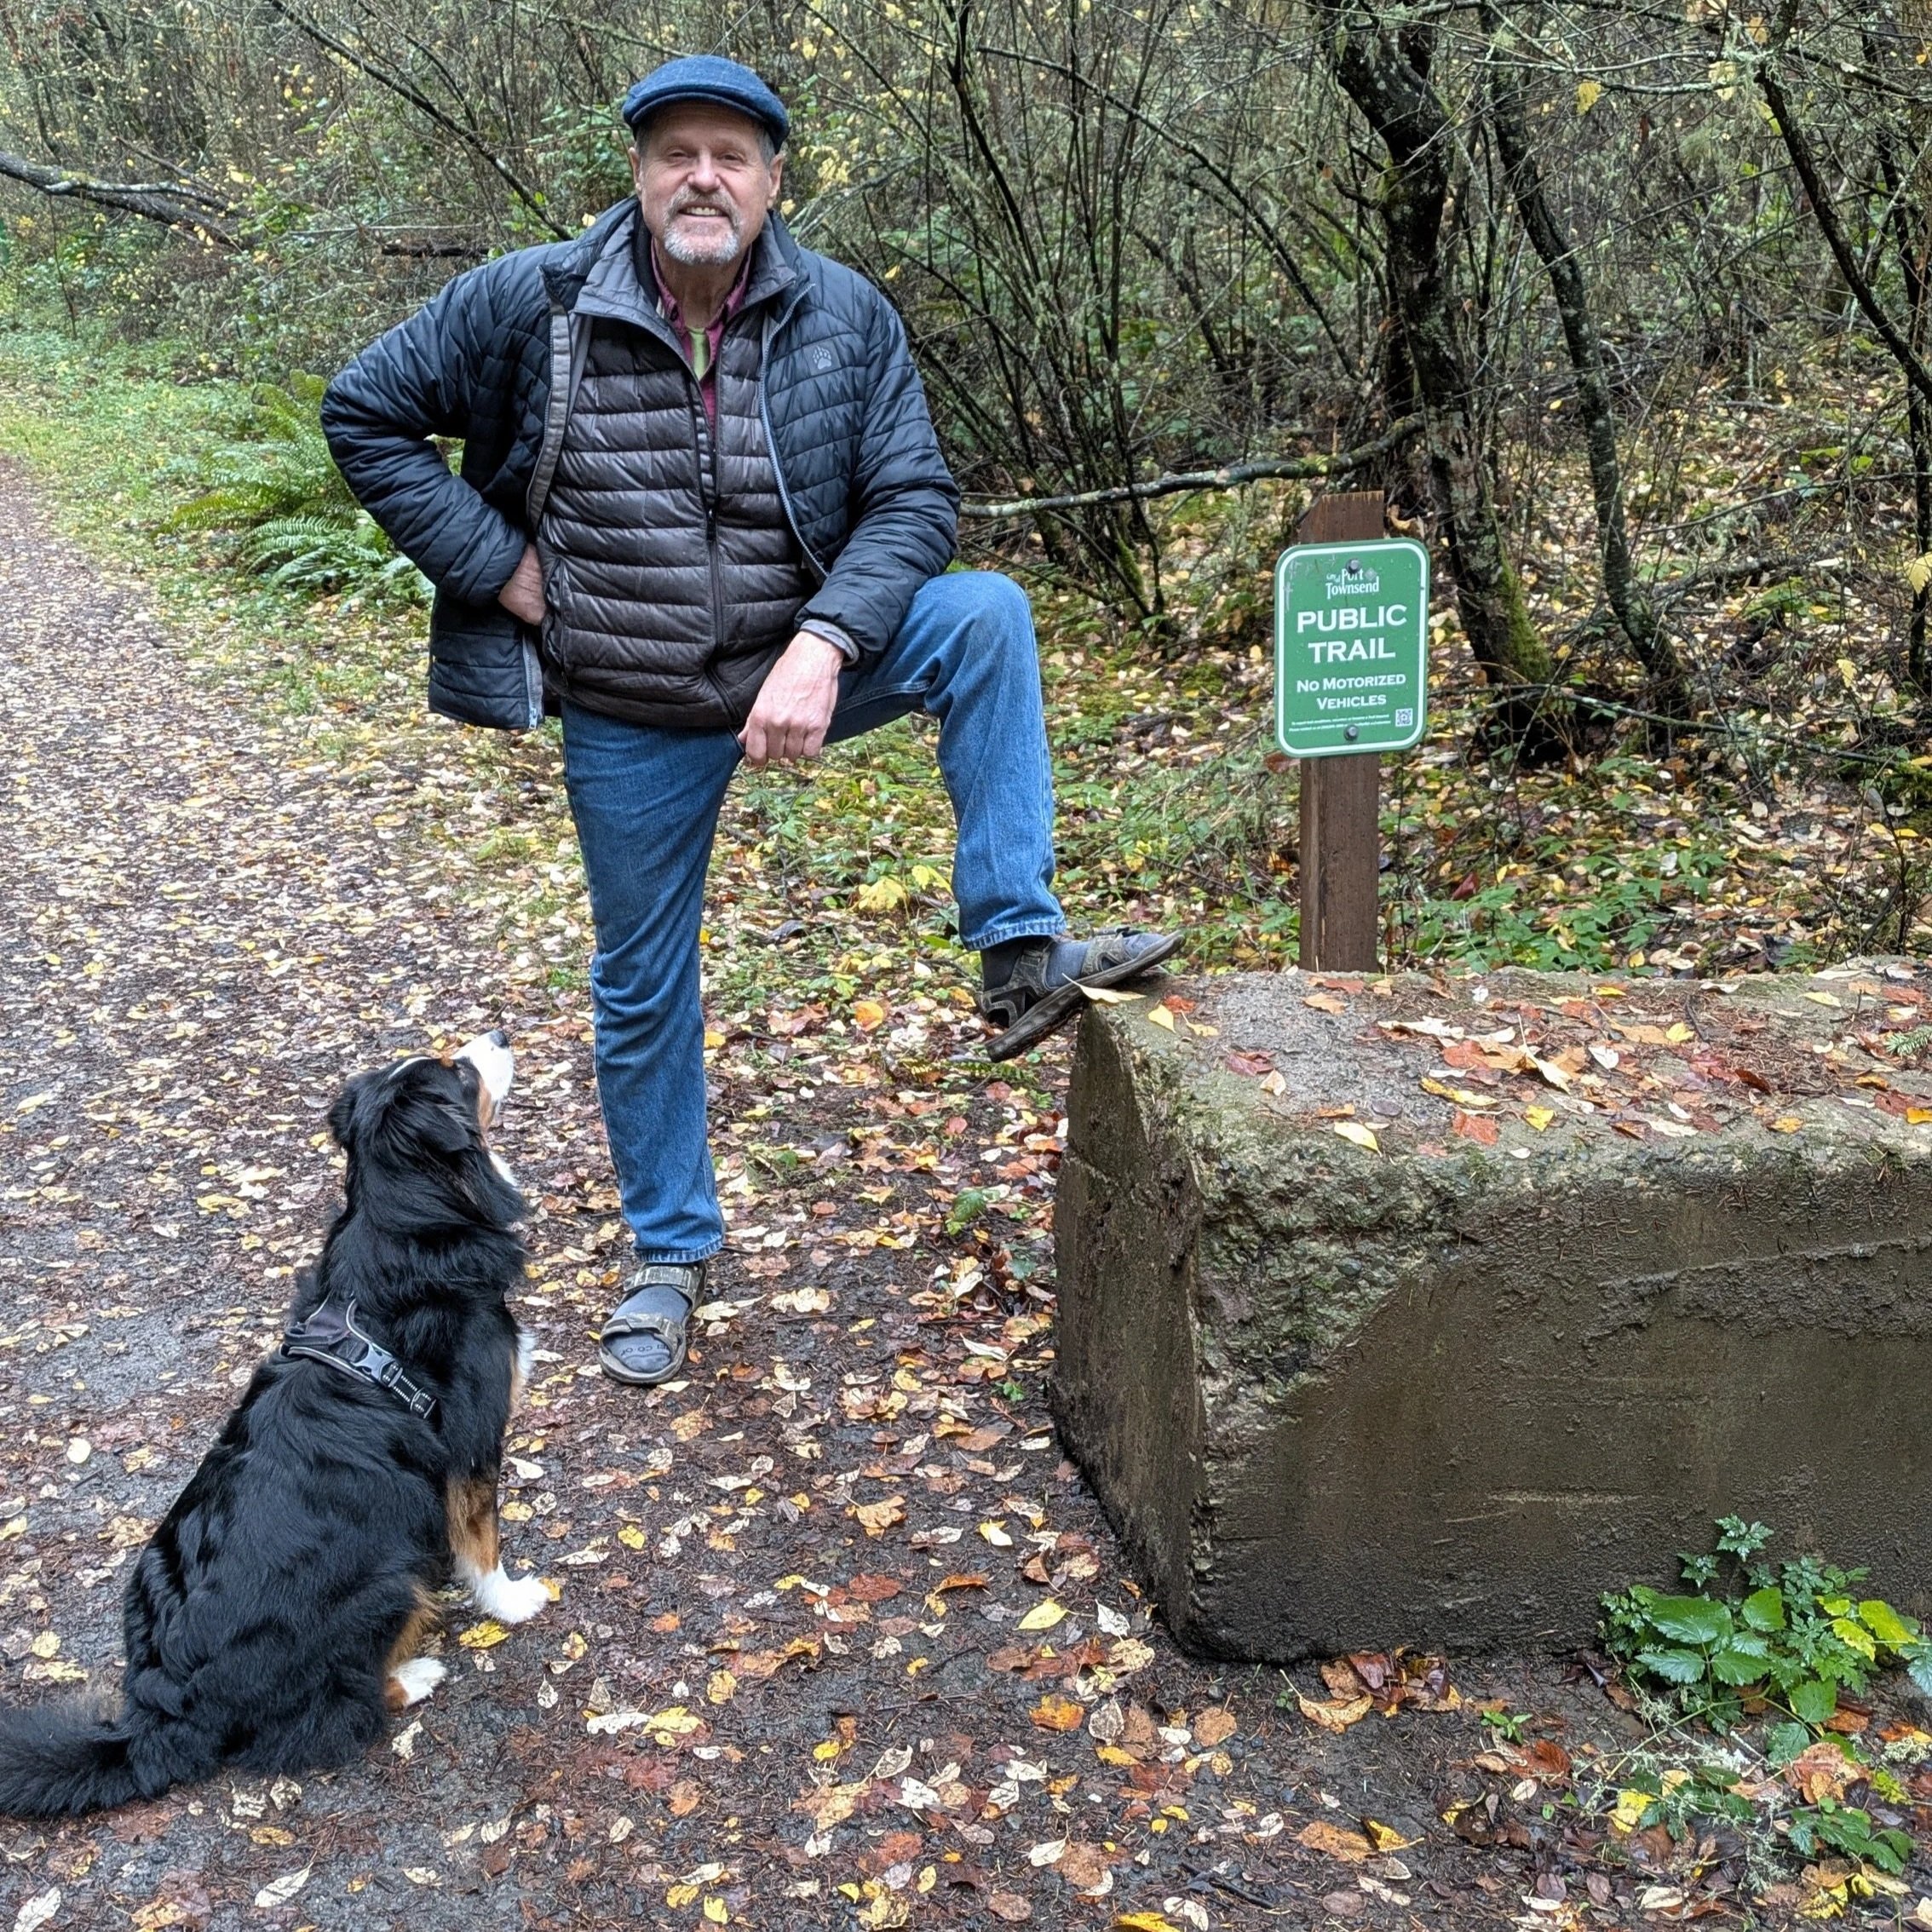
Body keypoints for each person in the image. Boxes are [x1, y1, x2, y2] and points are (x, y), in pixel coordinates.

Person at [322, 55, 1181, 1388]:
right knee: (642, 979)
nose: (703, 177)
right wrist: (494, 564)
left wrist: (827, 641)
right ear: (639, 175)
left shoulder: (845, 315)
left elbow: (913, 501)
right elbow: (364, 412)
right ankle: (668, 1252)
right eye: (677, 154)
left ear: (776, 180)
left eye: (732, 154)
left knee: (988, 618)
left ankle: (1018, 951)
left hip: (796, 661)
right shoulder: (530, 302)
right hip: (631, 698)